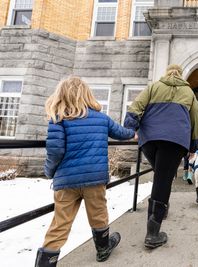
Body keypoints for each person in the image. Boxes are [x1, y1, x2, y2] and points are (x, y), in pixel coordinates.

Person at [35, 77, 135, 267]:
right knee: (99, 214)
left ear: (61, 95)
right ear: (87, 95)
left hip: (67, 181)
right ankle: (103, 249)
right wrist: (134, 132)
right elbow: (122, 133)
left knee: (60, 224)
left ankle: (46, 262)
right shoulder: (101, 118)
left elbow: (55, 151)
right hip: (94, 179)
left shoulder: (58, 119)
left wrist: (49, 171)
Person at [124, 64, 198, 249]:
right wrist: (194, 146)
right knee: (163, 180)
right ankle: (152, 233)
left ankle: (162, 208)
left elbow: (136, 106)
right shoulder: (188, 92)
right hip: (175, 140)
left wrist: (130, 128)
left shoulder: (153, 86)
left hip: (149, 139)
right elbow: (196, 117)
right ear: (181, 76)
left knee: (162, 174)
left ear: (166, 73)